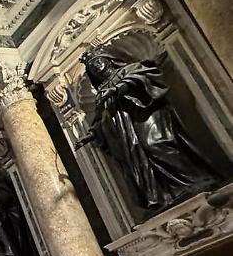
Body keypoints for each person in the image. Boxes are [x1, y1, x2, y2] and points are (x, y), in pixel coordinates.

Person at [77, 47, 223, 212]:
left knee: (157, 144)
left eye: (97, 61)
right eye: (91, 67)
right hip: (127, 131)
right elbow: (100, 118)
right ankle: (166, 195)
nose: (96, 67)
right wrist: (91, 134)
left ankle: (196, 179)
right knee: (142, 161)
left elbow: (149, 79)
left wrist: (118, 89)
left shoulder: (130, 69)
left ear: (108, 59)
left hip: (145, 115)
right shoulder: (101, 92)